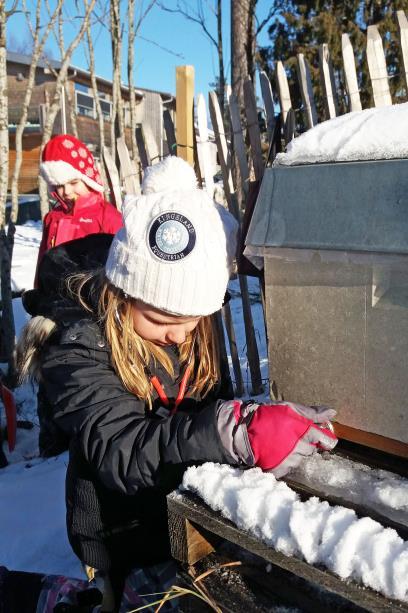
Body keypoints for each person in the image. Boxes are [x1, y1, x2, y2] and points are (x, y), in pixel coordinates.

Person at [17, 156, 337, 612]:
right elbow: (120, 449)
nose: (180, 334)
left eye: (194, 319)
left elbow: (207, 409)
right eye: (163, 319)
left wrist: (249, 430)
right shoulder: (75, 344)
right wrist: (229, 432)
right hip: (118, 535)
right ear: (123, 294)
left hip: (183, 517)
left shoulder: (189, 333)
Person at [36, 133, 122, 276]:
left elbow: (120, 261)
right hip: (56, 293)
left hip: (91, 293)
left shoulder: (107, 217)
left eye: (73, 183)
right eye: (59, 185)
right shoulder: (53, 218)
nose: (67, 191)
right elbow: (43, 261)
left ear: (88, 179)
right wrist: (39, 289)